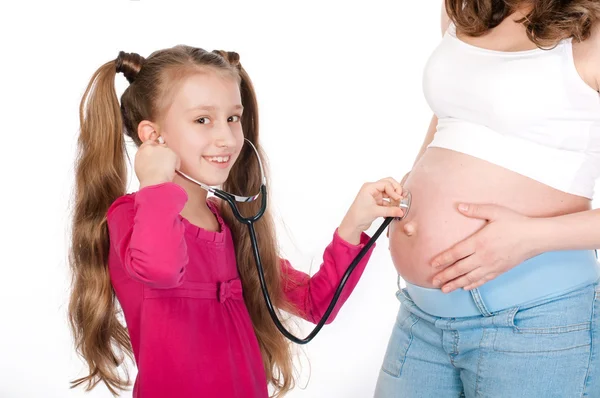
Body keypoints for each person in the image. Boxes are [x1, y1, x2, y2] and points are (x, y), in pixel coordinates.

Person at [67, 45, 405, 398]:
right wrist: (155, 183)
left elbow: (316, 304)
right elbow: (163, 269)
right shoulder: (131, 214)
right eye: (202, 120)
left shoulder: (231, 225)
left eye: (233, 118)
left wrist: (355, 224)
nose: (227, 138)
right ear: (153, 136)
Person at [375, 1, 600, 397]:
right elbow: (457, 110)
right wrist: (414, 182)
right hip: (421, 312)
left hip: (534, 322)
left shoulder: (593, 32)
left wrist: (530, 237)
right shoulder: (467, 9)